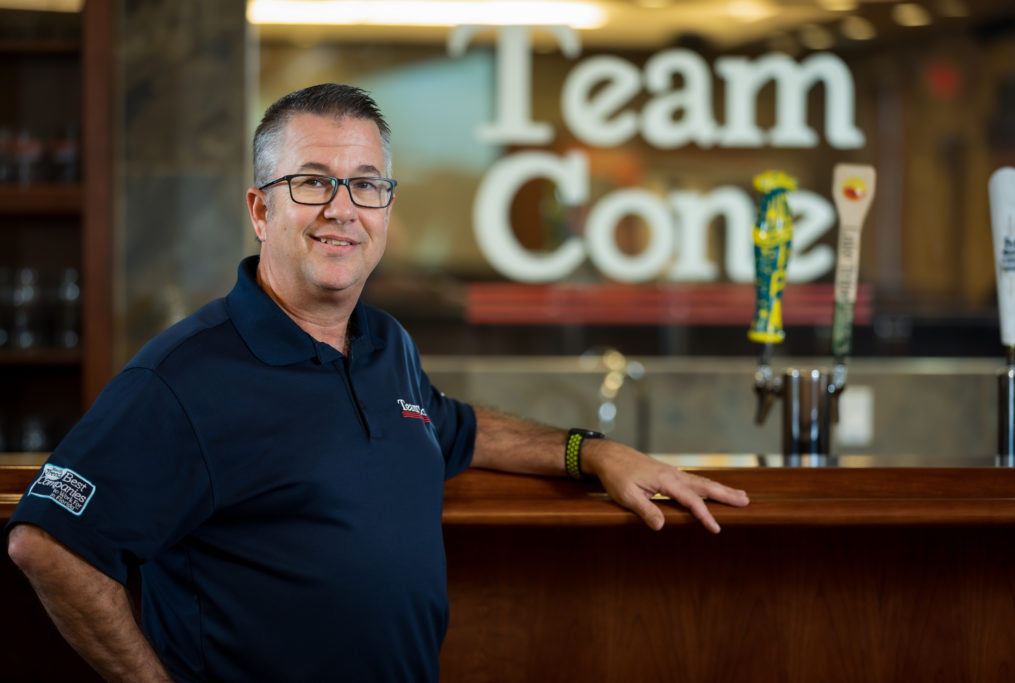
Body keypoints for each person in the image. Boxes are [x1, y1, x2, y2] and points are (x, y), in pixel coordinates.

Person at [5, 83, 749, 682]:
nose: (342, 209)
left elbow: (451, 423)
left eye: (365, 185)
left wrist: (595, 453)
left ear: (387, 208)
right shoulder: (183, 376)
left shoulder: (385, 343)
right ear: (261, 209)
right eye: (311, 183)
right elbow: (48, 542)